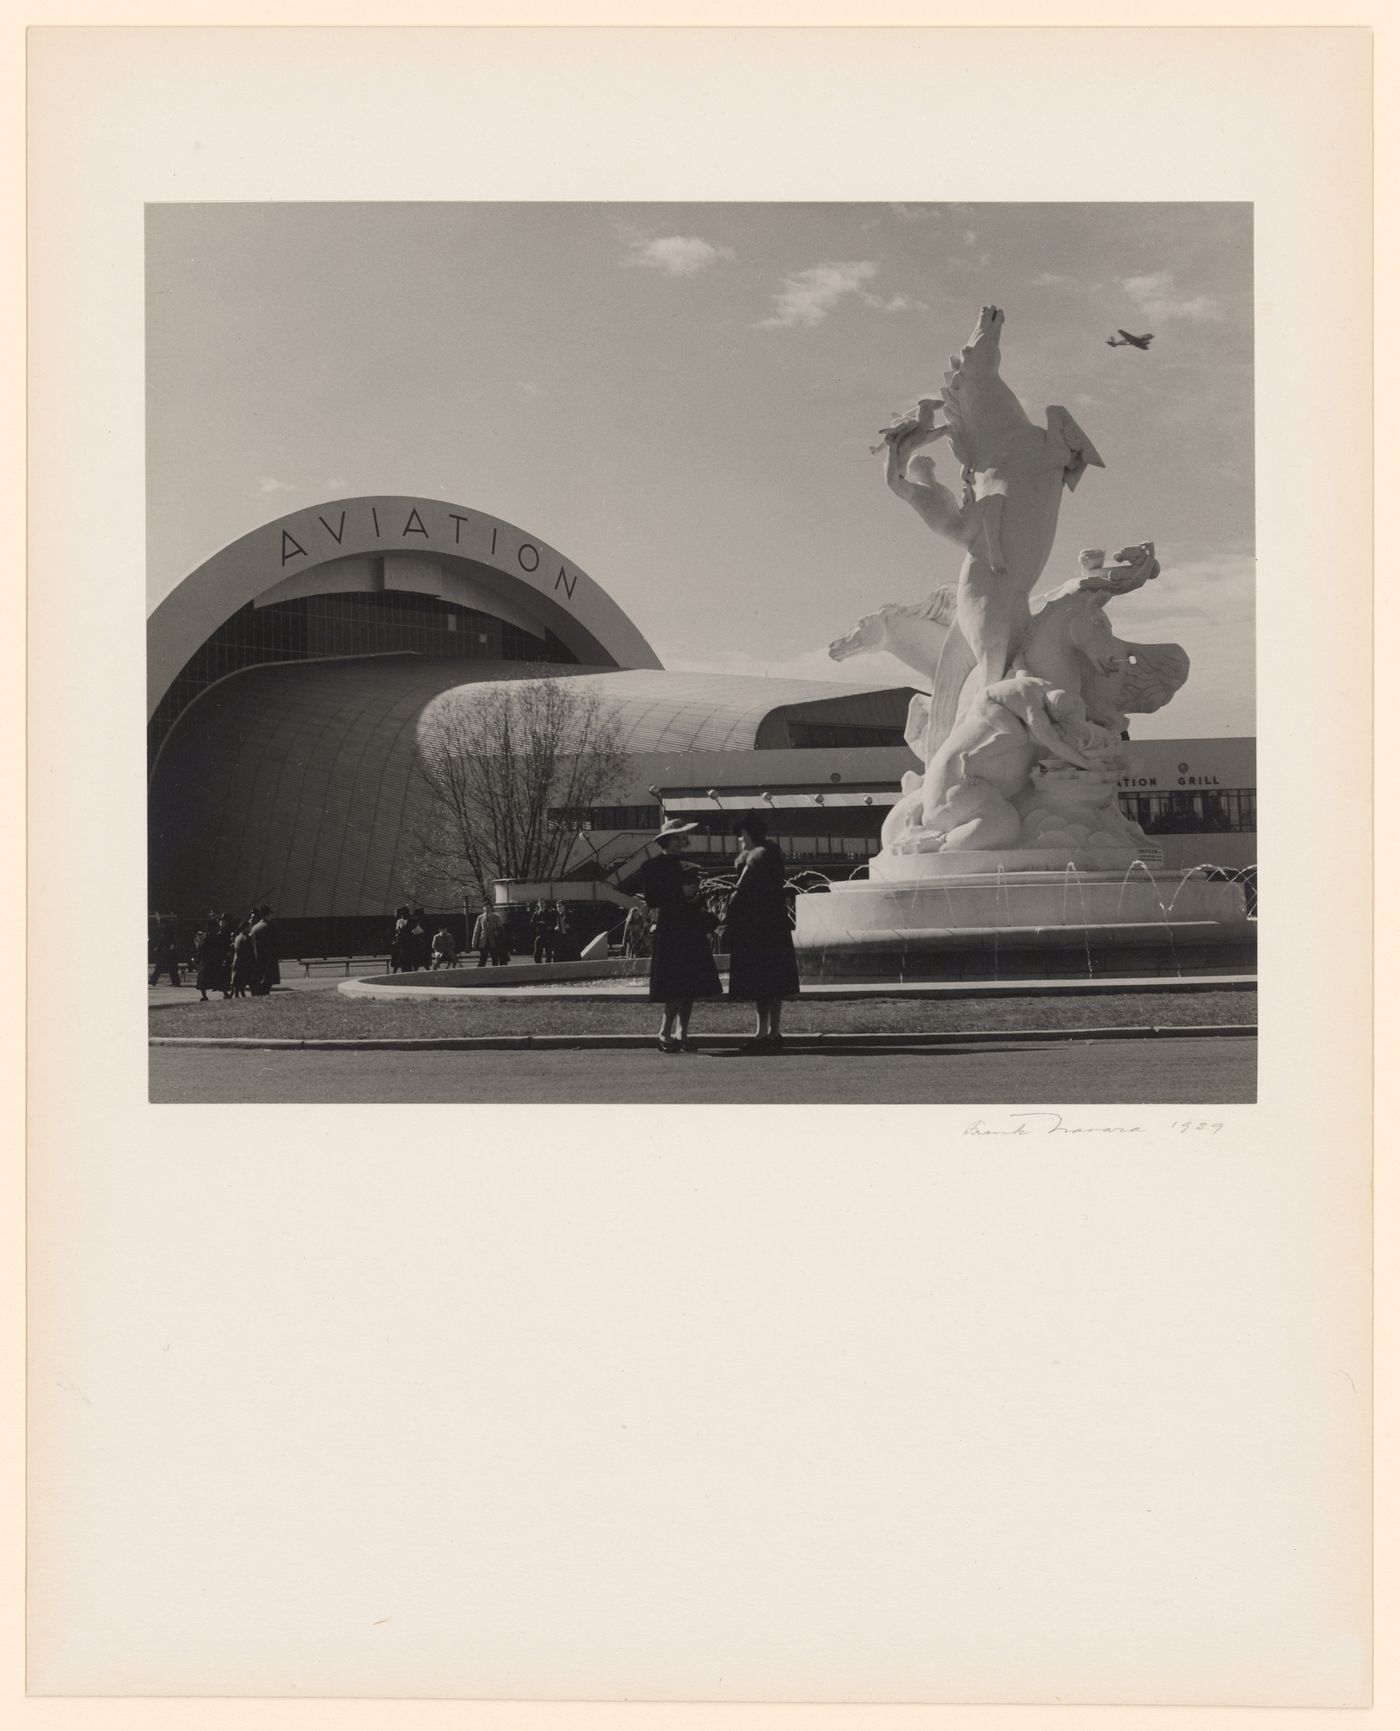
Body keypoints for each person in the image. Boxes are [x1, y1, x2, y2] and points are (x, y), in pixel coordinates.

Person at [620, 818, 722, 1053]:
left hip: (690, 927)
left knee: (691, 986)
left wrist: (695, 897)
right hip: (671, 928)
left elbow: (697, 900)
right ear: (665, 840)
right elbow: (653, 900)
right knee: (676, 985)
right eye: (676, 837)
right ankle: (665, 1032)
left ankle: (682, 1033)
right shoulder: (651, 867)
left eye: (682, 837)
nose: (680, 841)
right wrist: (680, 891)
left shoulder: (690, 866)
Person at [725, 811, 801, 1049]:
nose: (739, 840)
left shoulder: (755, 860)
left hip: (757, 929)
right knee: (774, 984)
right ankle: (773, 1032)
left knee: (761, 984)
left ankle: (762, 1033)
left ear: (748, 834)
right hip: (774, 928)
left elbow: (740, 893)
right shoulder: (771, 857)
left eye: (741, 835)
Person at [248, 905, 280, 995]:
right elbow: (273, 944)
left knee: (258, 988)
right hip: (268, 962)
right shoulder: (269, 926)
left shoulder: (254, 928)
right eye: (270, 914)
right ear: (267, 914)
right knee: (266, 988)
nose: (271, 916)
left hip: (256, 961)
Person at [148, 913, 182, 987]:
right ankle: (175, 982)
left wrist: (169, 947)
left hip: (168, 953)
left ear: (164, 924)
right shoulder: (164, 931)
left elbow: (170, 941)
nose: (159, 925)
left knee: (162, 968)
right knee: (169, 968)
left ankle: (153, 981)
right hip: (166, 952)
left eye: (160, 923)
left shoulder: (167, 931)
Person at [228, 919, 255, 998]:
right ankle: (240, 995)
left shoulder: (238, 937)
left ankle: (238, 995)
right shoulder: (246, 938)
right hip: (244, 962)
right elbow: (249, 951)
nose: (250, 928)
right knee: (243, 980)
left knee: (237, 980)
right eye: (249, 927)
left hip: (237, 961)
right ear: (245, 927)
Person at [530, 900, 554, 964]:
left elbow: (553, 922)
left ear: (545, 904)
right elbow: (532, 923)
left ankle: (548, 964)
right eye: (540, 903)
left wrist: (549, 926)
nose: (541, 904)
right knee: (538, 951)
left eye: (543, 903)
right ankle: (538, 964)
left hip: (548, 934)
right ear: (538, 904)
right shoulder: (536, 914)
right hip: (539, 934)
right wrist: (539, 923)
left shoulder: (549, 913)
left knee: (548, 951)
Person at [389, 905, 411, 972]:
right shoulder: (398, 921)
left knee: (401, 959)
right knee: (399, 959)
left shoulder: (408, 920)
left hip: (404, 943)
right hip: (399, 943)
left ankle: (396, 972)